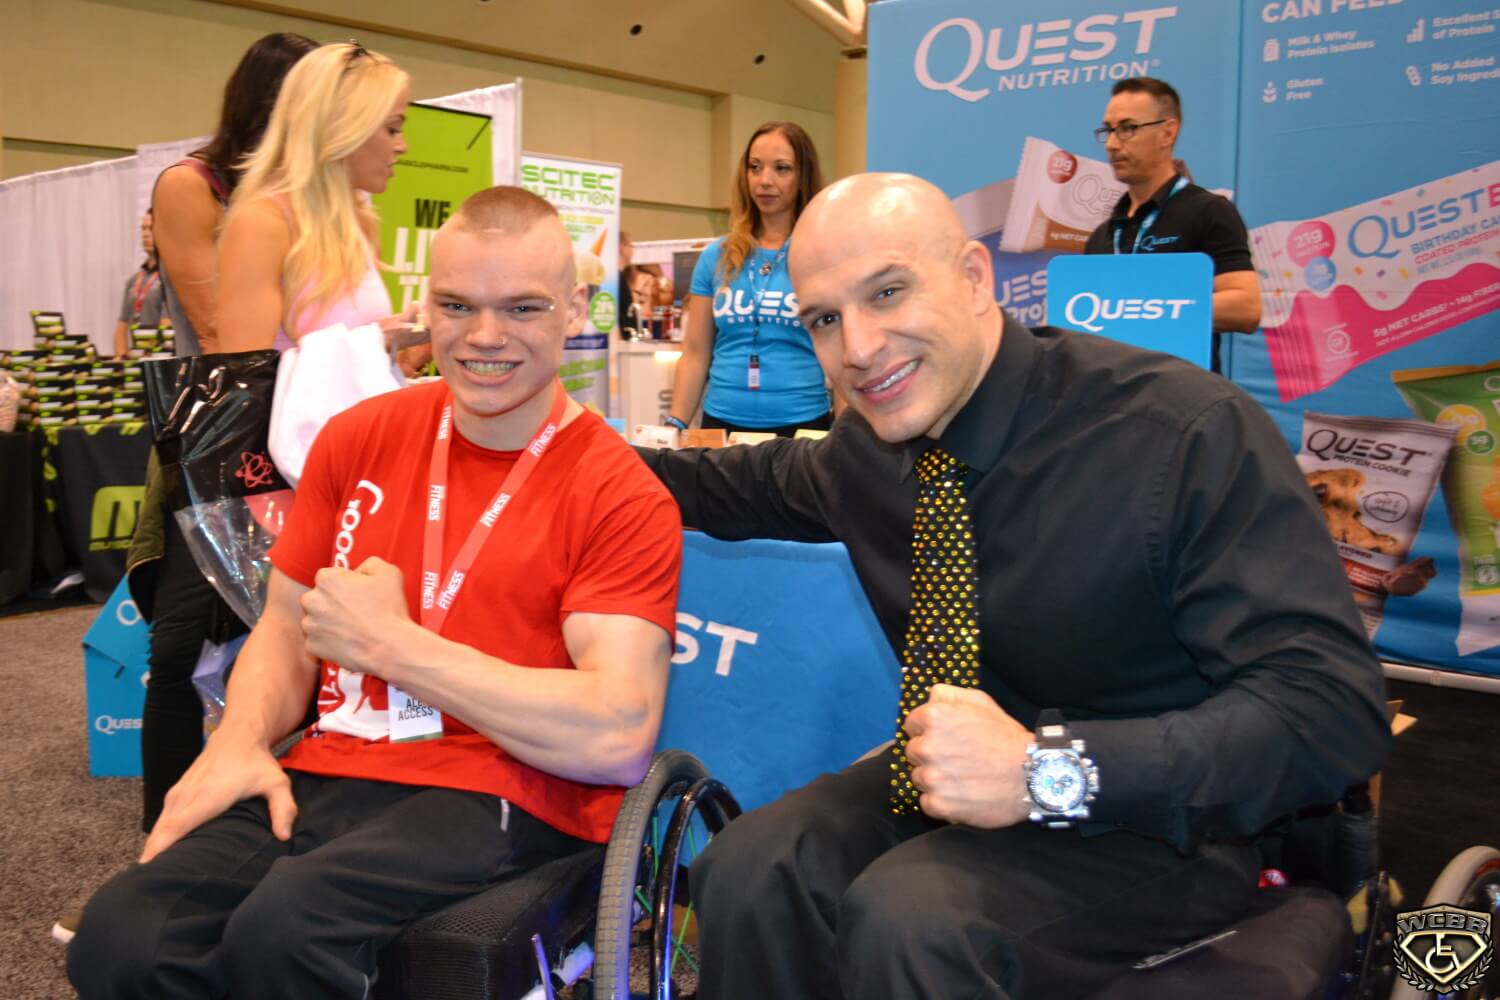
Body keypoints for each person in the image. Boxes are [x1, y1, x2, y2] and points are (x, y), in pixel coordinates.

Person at [635, 173, 1389, 999]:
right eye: (823, 319)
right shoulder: (867, 454)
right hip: (953, 785)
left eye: (887, 292)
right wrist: (546, 437)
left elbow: (1330, 712)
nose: (858, 348)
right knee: (749, 868)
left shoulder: (1178, 435)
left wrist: (1045, 771)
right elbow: (706, 485)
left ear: (972, 277)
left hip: (1167, 825)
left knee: (915, 922)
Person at [67, 186, 683, 999]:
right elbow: (284, 628)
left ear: (573, 310)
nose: (485, 336)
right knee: (122, 938)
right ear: (424, 306)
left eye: (522, 307)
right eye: (457, 305)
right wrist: (240, 739)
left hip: (508, 787)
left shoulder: (619, 492)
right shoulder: (360, 436)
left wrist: (397, 649)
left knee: (282, 935)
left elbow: (618, 733)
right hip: (337, 763)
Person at [129, 30, 316, 842]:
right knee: (180, 646)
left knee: (300, 640)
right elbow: (221, 334)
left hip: (301, 438)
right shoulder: (191, 185)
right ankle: (163, 831)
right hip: (218, 441)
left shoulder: (310, 197)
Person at [215, 42, 423, 358]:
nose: (402, 146)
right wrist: (376, 340)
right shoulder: (262, 224)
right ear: (343, 128)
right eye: (392, 129)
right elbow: (245, 371)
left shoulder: (358, 223)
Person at [151, 31, 317, 357]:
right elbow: (215, 331)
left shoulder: (301, 189)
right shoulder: (188, 185)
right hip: (240, 381)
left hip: (302, 377)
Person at [1082, 77, 1262, 372]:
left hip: (1184, 392)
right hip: (1112, 393)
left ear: (1167, 132)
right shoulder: (1103, 235)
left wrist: (1145, 310)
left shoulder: (1208, 211)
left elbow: (1246, 307)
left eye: (1127, 128)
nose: (1112, 144)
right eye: (1108, 130)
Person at [667, 121, 832, 437]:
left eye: (781, 168)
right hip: (720, 424)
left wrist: (850, 437)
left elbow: (843, 355)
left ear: (802, 177)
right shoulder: (717, 256)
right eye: (755, 167)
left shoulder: (822, 255)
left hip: (802, 426)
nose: (764, 180)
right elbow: (696, 353)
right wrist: (675, 424)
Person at [110, 211, 164, 357]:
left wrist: (148, 359)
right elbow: (122, 325)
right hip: (136, 361)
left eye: (150, 228)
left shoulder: (169, 280)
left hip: (158, 359)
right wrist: (122, 356)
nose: (145, 234)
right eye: (143, 229)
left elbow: (167, 327)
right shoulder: (133, 280)